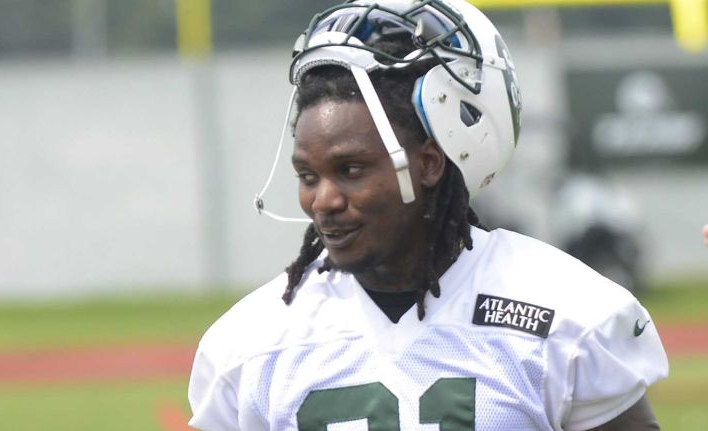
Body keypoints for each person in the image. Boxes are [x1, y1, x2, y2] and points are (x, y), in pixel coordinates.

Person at [188, 1, 668, 429]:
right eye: (308, 176)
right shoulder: (252, 342)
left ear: (429, 163)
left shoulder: (566, 313)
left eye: (351, 170)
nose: (324, 200)